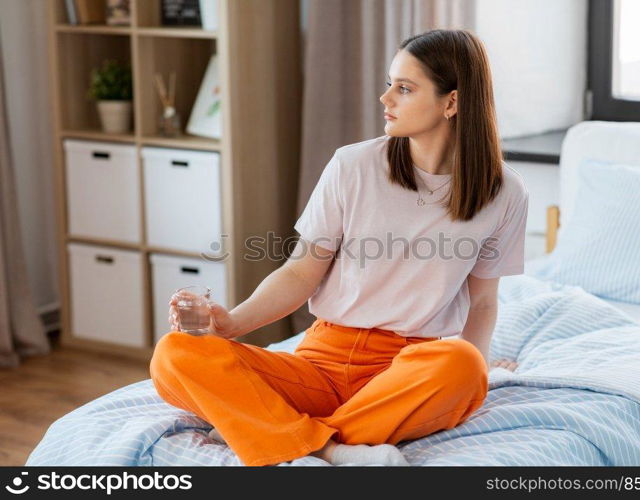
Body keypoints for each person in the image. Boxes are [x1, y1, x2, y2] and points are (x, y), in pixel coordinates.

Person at [150, 28, 528, 467]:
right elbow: (300, 272)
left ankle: (264, 429)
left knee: (461, 362)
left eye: (404, 88)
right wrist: (231, 324)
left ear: (452, 102)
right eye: (390, 84)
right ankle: (329, 449)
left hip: (404, 369)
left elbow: (482, 303)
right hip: (319, 362)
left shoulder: (504, 193)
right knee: (173, 355)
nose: (386, 100)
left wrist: (477, 377)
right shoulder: (353, 165)